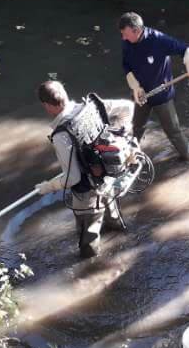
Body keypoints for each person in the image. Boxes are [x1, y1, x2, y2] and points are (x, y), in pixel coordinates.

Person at [35, 80, 134, 259]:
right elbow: (127, 107)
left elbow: (72, 178)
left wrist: (48, 186)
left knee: (88, 242)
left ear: (47, 106)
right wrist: (124, 134)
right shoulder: (93, 106)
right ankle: (125, 245)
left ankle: (91, 271)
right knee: (113, 218)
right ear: (65, 94)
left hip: (88, 193)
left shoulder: (61, 135)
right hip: (108, 177)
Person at [119, 12, 189, 161]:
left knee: (173, 131)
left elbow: (187, 48)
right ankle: (131, 157)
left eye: (125, 34)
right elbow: (126, 66)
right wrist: (135, 87)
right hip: (141, 94)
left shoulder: (158, 39)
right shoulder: (127, 43)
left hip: (162, 96)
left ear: (136, 30)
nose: (123, 38)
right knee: (136, 127)